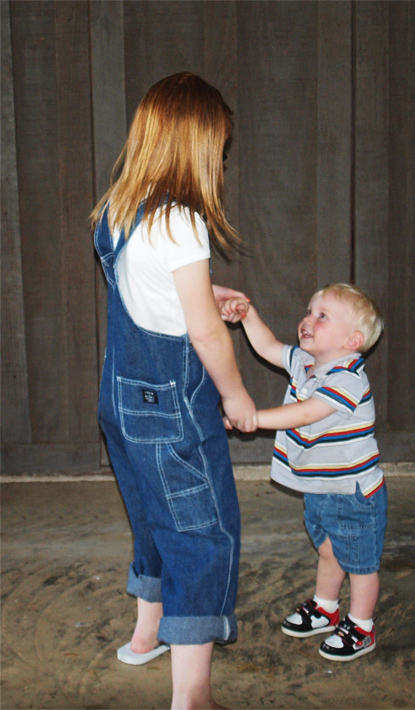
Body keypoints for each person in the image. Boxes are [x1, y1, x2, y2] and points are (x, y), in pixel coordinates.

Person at [91, 72, 257, 709]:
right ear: (196, 145)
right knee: (201, 530)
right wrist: (236, 394)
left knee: (153, 517)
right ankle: (192, 696)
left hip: (120, 402)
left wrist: (205, 296)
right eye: (217, 145)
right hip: (170, 408)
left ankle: (146, 634)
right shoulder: (183, 220)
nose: (220, 156)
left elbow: (144, 288)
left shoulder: (120, 208)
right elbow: (207, 339)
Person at [220, 283, 387, 662]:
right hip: (319, 485)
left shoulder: (348, 378)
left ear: (353, 339)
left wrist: (255, 418)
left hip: (353, 492)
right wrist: (248, 314)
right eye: (309, 311)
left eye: (322, 316)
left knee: (360, 563)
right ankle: (326, 607)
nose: (308, 320)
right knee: (328, 550)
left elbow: (309, 411)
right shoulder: (305, 363)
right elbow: (266, 347)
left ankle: (362, 625)